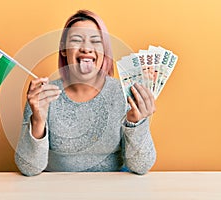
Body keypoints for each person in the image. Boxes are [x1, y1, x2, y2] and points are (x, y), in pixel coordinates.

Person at [15, 10, 156, 176]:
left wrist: (135, 123)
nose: (86, 48)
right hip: (57, 189)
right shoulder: (43, 96)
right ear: (63, 49)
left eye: (96, 41)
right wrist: (38, 121)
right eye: (76, 40)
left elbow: (142, 166)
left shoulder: (125, 94)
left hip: (113, 189)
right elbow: (28, 168)